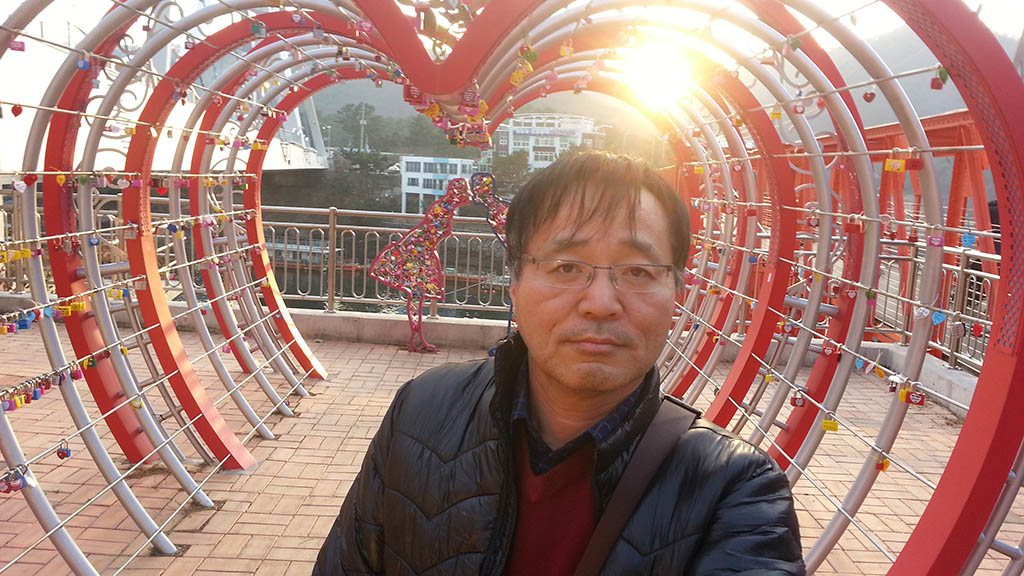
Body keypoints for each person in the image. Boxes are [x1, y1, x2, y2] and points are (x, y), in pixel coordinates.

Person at [313, 151, 804, 575]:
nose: (600, 303)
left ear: (676, 290)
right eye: (566, 267)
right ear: (515, 284)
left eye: (638, 271)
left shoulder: (735, 490)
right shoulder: (422, 413)